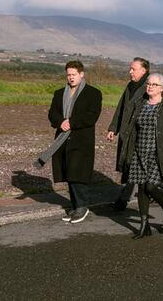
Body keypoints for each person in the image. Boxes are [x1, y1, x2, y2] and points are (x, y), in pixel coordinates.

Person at [123, 73, 163, 239]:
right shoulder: (141, 103)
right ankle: (144, 225)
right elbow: (133, 126)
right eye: (148, 84)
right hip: (140, 151)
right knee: (142, 187)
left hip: (158, 154)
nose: (149, 87)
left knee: (151, 186)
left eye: (154, 85)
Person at [48, 60, 103, 224]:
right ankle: (75, 206)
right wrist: (60, 122)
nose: (71, 78)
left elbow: (92, 116)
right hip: (63, 139)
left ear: (81, 74)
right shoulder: (59, 93)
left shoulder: (93, 93)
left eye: (74, 74)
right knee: (69, 174)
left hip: (81, 140)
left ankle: (82, 207)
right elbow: (52, 113)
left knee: (78, 174)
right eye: (68, 75)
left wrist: (71, 122)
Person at [106, 57, 150, 211]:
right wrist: (113, 128)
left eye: (133, 69)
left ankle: (158, 195)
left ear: (143, 70)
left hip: (141, 136)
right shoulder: (130, 86)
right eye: (130, 68)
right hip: (126, 134)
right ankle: (124, 200)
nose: (130, 71)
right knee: (130, 167)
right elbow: (121, 108)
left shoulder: (150, 86)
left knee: (136, 168)